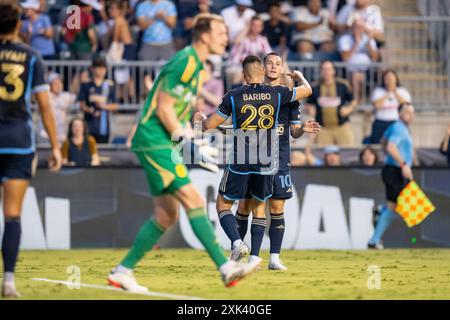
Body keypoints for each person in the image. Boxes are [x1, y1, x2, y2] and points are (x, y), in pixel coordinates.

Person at [108, 14, 261, 293]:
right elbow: (164, 109)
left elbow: (175, 111)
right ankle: (226, 267)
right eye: (220, 31)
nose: (225, 37)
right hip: (155, 140)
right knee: (192, 198)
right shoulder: (187, 61)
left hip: (161, 140)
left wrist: (193, 139)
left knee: (167, 215)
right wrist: (186, 142)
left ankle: (123, 271)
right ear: (203, 35)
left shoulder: (196, 66)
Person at [196, 55, 313, 265]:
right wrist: (300, 78)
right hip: (267, 160)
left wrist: (202, 122)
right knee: (259, 208)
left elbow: (211, 124)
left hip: (241, 158)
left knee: (224, 204)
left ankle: (237, 243)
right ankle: (255, 257)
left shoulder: (235, 95)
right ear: (262, 72)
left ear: (244, 75)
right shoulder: (278, 94)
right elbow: (307, 90)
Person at [234, 53, 320, 270]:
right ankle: (241, 254)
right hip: (254, 158)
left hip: (280, 158)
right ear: (263, 68)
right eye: (269, 63)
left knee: (277, 206)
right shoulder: (253, 92)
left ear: (282, 69)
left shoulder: (289, 96)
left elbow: (294, 131)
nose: (273, 66)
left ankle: (274, 258)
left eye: (278, 64)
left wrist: (303, 129)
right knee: (248, 206)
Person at [0, 0, 62, 298]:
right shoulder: (31, 56)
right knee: (12, 215)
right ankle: (8, 282)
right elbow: (46, 107)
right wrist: (55, 147)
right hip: (17, 141)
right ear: (18, 25)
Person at [367, 103, 415, 249]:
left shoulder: (396, 127)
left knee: (398, 206)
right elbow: (390, 146)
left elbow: (383, 141)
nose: (410, 115)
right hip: (395, 170)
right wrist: (403, 164)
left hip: (393, 169)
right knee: (399, 206)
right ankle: (374, 240)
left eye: (412, 113)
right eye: (407, 112)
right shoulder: (400, 128)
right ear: (399, 113)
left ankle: (380, 211)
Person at [306, 60, 357, 146]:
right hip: (323, 129)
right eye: (324, 69)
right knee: (323, 155)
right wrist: (310, 110)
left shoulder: (342, 85)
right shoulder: (315, 87)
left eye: (329, 69)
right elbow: (309, 103)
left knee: (347, 153)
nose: (326, 72)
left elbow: (353, 100)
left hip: (342, 127)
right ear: (320, 71)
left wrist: (349, 109)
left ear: (334, 71)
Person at [78, 57, 119, 144]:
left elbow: (115, 106)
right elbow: (81, 104)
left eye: (103, 68)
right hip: (89, 125)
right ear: (92, 69)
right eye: (98, 68)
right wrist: (90, 110)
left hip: (104, 128)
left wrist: (103, 106)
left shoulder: (109, 85)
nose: (100, 71)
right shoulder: (86, 85)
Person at [338, 19, 379, 103]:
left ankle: (360, 101)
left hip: (368, 70)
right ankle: (357, 101)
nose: (359, 29)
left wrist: (368, 45)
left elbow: (375, 58)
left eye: (361, 27)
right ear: (352, 28)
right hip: (349, 71)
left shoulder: (369, 40)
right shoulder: (345, 39)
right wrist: (356, 44)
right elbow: (345, 57)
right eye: (356, 27)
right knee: (357, 76)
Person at [366, 69, 411, 144]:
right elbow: (376, 105)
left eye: (391, 78)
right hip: (381, 122)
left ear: (396, 79)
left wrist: (395, 92)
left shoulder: (402, 91)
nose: (389, 80)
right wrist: (387, 93)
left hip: (397, 122)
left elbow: (406, 104)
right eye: (387, 78)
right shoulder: (378, 91)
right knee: (378, 143)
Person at [227, 15, 272, 85]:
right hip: (238, 66)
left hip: (256, 67)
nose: (256, 28)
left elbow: (270, 54)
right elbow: (235, 57)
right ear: (250, 26)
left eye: (259, 26)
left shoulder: (262, 40)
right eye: (254, 25)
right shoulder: (242, 39)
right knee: (241, 74)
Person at [38, 72, 77, 143]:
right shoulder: (44, 96)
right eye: (55, 83)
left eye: (60, 83)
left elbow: (79, 101)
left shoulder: (66, 96)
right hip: (45, 135)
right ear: (49, 85)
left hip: (61, 135)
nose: (59, 85)